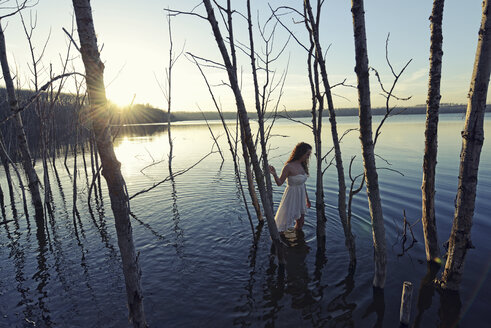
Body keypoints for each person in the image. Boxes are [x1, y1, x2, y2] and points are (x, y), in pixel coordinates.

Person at [269, 142, 312, 233]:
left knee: (301, 223)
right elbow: (280, 183)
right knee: (284, 222)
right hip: (291, 196)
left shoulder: (303, 165)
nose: (308, 156)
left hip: (300, 197)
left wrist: (307, 199)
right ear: (301, 153)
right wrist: (274, 174)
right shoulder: (288, 167)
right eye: (307, 154)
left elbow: (303, 184)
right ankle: (279, 239)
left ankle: (296, 239)